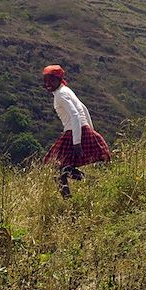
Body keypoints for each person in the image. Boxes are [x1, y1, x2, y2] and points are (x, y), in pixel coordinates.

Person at [42, 65, 111, 198]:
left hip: (74, 132)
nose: (48, 84)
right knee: (61, 167)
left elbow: (75, 114)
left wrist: (77, 142)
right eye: (46, 80)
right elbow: (84, 108)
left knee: (52, 165)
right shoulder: (66, 90)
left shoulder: (60, 95)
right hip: (80, 130)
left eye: (51, 80)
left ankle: (69, 199)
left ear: (59, 79)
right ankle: (90, 181)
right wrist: (91, 131)